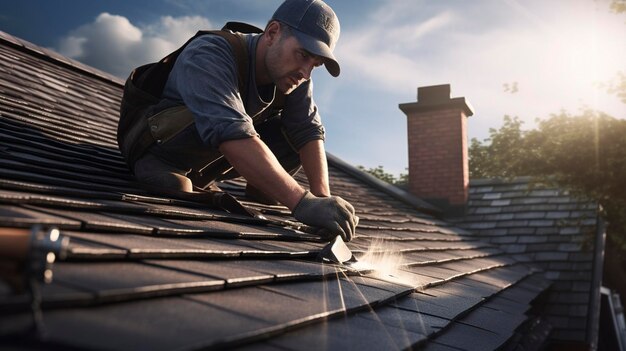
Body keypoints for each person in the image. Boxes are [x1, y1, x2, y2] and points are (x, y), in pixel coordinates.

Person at [117, 0, 358, 241]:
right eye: (303, 54)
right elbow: (231, 132)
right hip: (158, 150)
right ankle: (165, 167)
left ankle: (265, 183)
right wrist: (300, 202)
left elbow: (308, 131)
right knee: (180, 189)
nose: (305, 72)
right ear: (273, 33)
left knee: (297, 134)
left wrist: (322, 201)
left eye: (314, 64)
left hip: (210, 156)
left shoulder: (296, 76)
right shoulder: (210, 52)